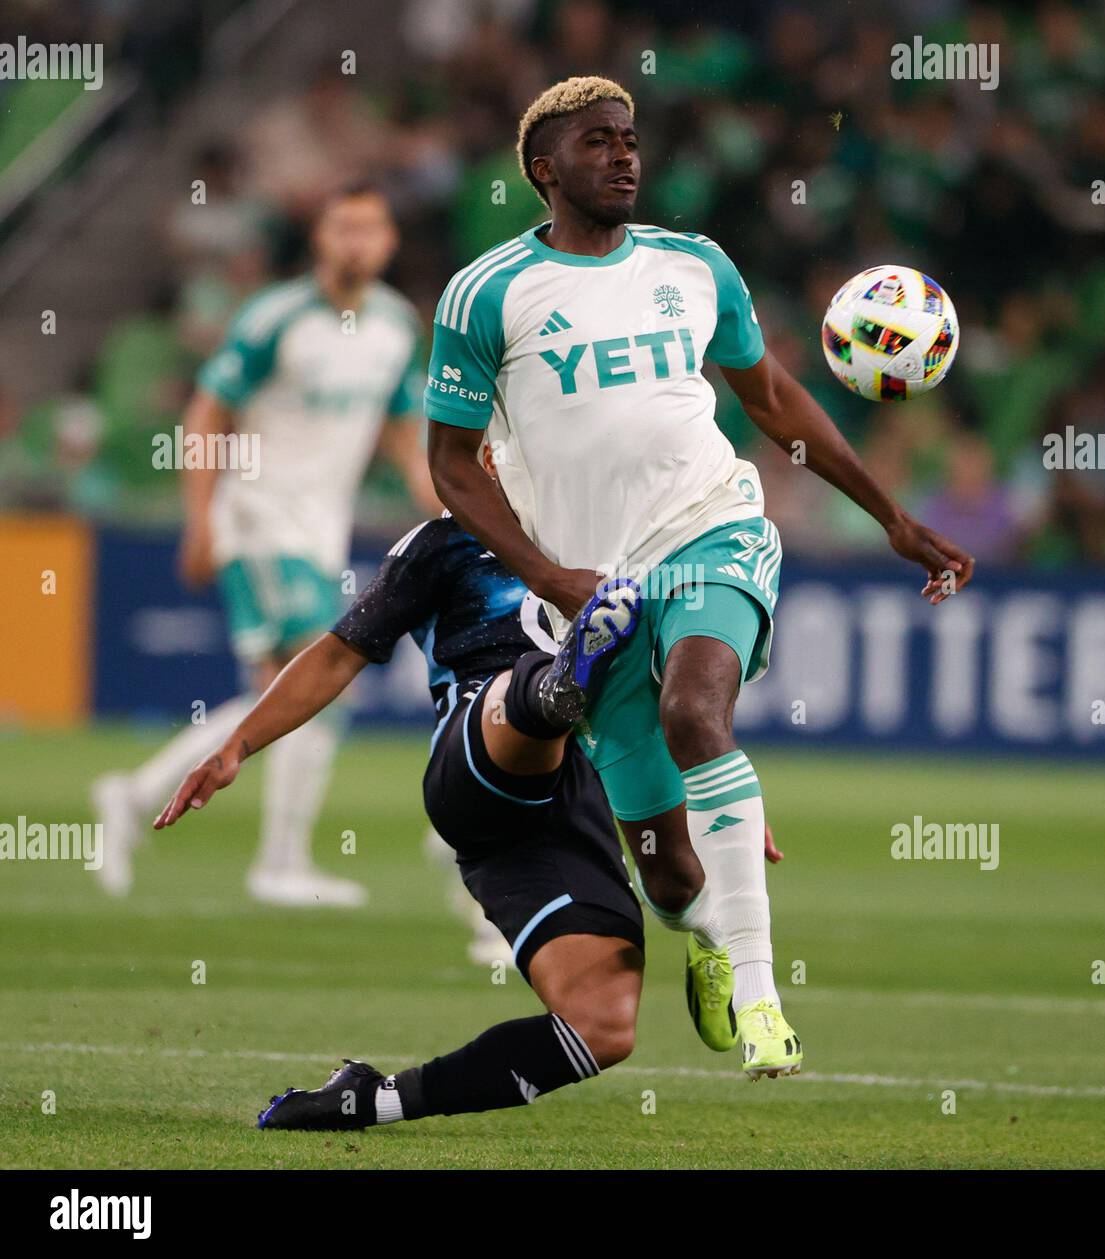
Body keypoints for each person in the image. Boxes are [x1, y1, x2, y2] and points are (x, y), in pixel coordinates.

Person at [425, 77, 975, 1078]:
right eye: (597, 143)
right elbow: (452, 465)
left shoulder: (694, 267)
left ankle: (765, 999)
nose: (625, 156)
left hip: (712, 528)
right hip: (596, 595)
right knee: (669, 874)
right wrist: (549, 576)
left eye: (630, 139)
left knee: (697, 710)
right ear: (545, 170)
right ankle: (711, 939)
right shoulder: (485, 293)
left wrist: (891, 515)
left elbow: (770, 399)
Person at [154, 505, 669, 1129]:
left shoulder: (611, 528)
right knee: (524, 689)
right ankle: (555, 689)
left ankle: (369, 1101)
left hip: (568, 804)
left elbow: (669, 694)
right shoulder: (446, 540)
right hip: (476, 754)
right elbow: (338, 653)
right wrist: (239, 743)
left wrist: (719, 790)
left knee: (603, 1025)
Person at [92, 182, 440, 907]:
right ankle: (279, 862)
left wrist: (440, 502)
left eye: (369, 229)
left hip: (320, 529)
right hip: (258, 516)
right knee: (323, 670)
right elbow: (206, 411)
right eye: (342, 227)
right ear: (319, 237)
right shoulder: (275, 317)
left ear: (388, 244)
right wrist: (200, 517)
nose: (356, 241)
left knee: (284, 691)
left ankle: (133, 795)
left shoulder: (394, 326)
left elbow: (402, 427)